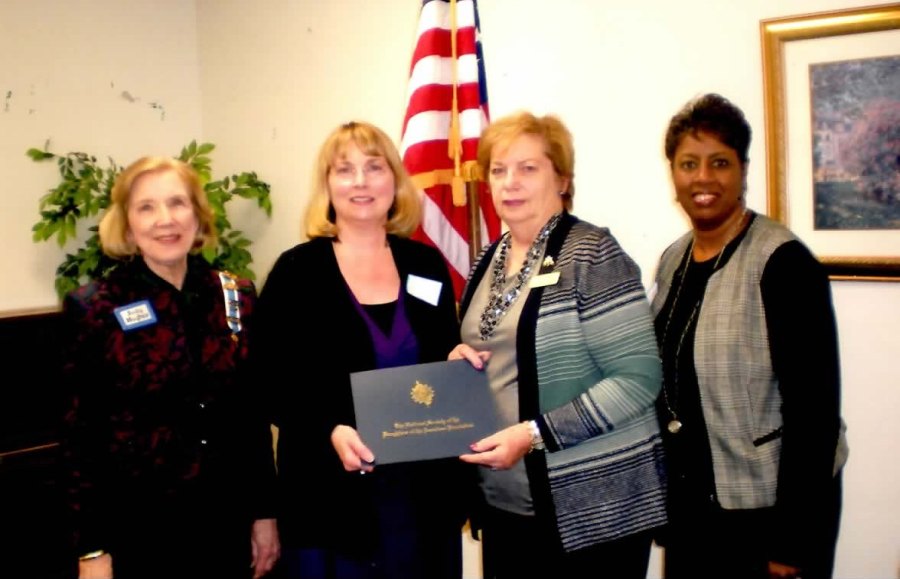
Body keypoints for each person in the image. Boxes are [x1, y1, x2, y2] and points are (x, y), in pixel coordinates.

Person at [450, 111, 667, 578]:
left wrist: (532, 435)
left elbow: (638, 379)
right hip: (507, 504)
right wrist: (458, 362)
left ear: (563, 178)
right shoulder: (488, 259)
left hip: (591, 508)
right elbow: (497, 355)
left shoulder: (592, 253)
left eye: (529, 168)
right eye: (499, 169)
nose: (511, 182)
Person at [252, 121, 467, 579]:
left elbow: (442, 358)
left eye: (374, 167)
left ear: (395, 180)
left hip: (421, 497)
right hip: (329, 498)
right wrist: (328, 428)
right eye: (344, 170)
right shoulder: (297, 272)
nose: (361, 181)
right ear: (327, 185)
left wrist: (459, 365)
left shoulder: (425, 264)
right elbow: (266, 381)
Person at [650, 93, 847, 578]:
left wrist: (792, 543)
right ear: (672, 173)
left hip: (768, 516)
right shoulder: (673, 259)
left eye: (720, 162)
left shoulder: (784, 264)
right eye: (688, 163)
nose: (703, 178)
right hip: (694, 511)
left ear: (743, 169)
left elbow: (815, 414)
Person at [60, 157, 280, 579]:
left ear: (198, 215)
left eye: (178, 203)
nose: (165, 220)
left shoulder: (235, 294)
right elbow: (80, 439)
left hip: (225, 526)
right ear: (126, 224)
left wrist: (264, 514)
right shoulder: (95, 306)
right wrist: (92, 551)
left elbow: (250, 419)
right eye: (146, 207)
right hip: (140, 533)